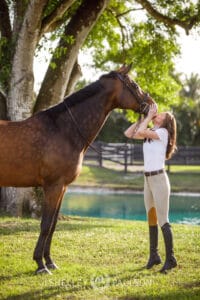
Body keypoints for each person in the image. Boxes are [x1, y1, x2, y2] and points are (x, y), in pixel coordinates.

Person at [124, 104, 177, 273]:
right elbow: (129, 133)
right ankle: (154, 256)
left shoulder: (162, 133)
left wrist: (148, 118)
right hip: (147, 180)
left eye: (161, 115)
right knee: (151, 218)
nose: (157, 114)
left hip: (159, 179)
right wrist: (142, 118)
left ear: (166, 122)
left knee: (163, 220)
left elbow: (139, 132)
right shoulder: (149, 134)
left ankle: (171, 259)